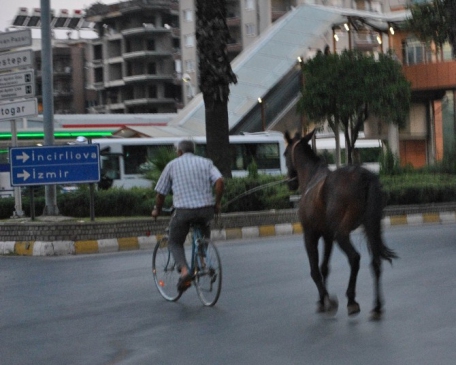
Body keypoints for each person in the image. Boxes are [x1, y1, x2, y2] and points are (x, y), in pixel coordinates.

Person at [151, 139, 224, 292]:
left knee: (174, 242)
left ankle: (185, 272)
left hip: (184, 211)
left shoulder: (172, 165)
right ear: (193, 151)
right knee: (204, 229)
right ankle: (203, 263)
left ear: (179, 152)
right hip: (206, 209)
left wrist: (157, 210)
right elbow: (219, 180)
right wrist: (217, 203)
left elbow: (160, 194)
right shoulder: (206, 163)